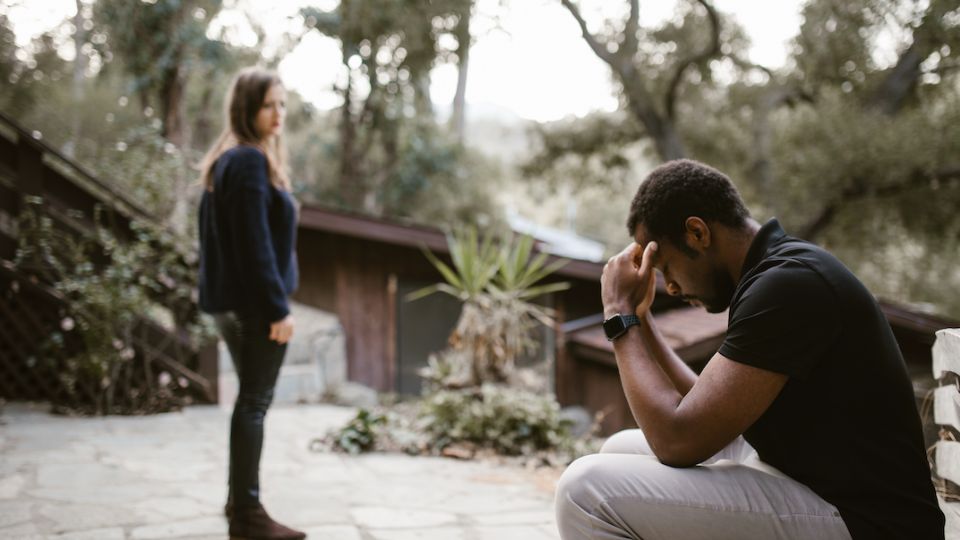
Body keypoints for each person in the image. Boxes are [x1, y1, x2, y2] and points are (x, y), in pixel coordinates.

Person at [555, 159, 944, 540]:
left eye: (667, 268)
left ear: (697, 233)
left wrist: (618, 315)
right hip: (812, 482)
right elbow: (704, 408)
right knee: (620, 448)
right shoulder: (775, 272)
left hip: (868, 521)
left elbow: (678, 441)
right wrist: (642, 318)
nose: (670, 287)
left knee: (585, 490)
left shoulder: (789, 285)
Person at [197, 67, 304, 540]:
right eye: (268, 105)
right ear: (247, 109)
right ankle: (247, 514)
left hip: (237, 306)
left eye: (282, 104)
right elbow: (253, 245)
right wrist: (277, 308)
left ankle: (240, 505)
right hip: (253, 309)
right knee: (254, 404)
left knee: (250, 403)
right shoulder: (247, 162)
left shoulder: (232, 160)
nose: (278, 113)